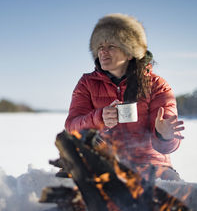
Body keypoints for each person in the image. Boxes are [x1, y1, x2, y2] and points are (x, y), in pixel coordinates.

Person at [65, 13, 184, 181]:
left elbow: (167, 146)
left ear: (130, 52)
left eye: (111, 46)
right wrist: (99, 118)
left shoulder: (158, 85)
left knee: (172, 191)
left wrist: (164, 134)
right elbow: (71, 127)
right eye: (100, 46)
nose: (103, 51)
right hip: (104, 165)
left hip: (151, 165)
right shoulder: (87, 83)